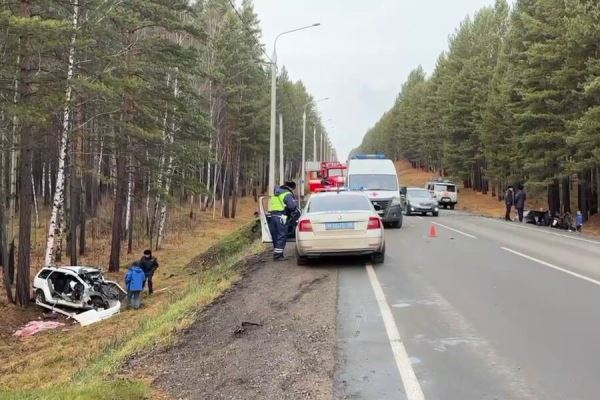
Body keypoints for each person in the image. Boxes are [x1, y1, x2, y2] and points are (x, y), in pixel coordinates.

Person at [270, 181, 298, 261]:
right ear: (291, 188)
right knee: (282, 235)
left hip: (273, 216)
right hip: (282, 216)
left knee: (276, 236)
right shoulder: (287, 194)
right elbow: (292, 206)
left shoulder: (276, 193)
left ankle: (276, 253)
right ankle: (278, 256)